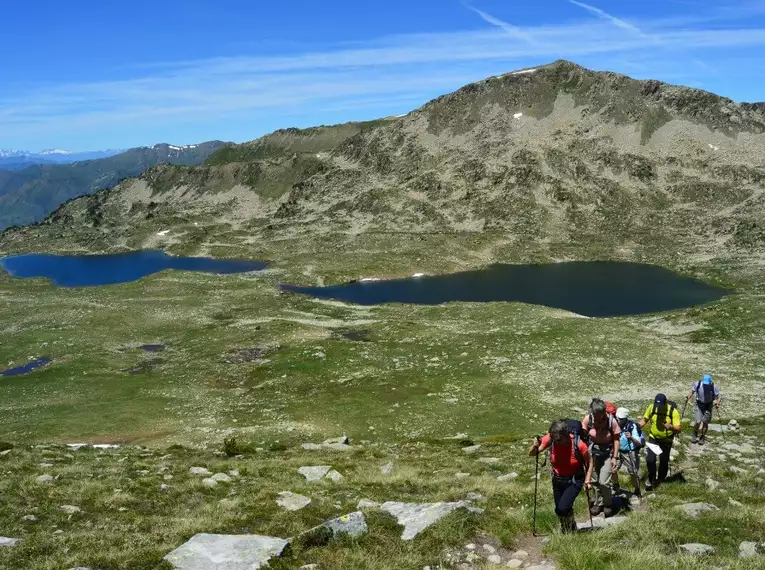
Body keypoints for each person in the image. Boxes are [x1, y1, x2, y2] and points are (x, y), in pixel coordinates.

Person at [529, 419, 591, 533]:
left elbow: (589, 462)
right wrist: (535, 446)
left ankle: (569, 528)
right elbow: (533, 453)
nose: (557, 443)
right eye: (555, 440)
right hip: (557, 479)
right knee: (559, 510)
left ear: (566, 435)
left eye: (559, 440)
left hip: (574, 479)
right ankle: (568, 528)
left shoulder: (579, 444)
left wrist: (587, 480)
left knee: (562, 508)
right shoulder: (551, 439)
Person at [581, 399, 621, 517]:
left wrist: (615, 457)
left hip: (607, 453)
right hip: (592, 453)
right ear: (592, 413)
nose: (601, 419)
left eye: (603, 416)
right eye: (598, 417)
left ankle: (608, 504)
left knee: (604, 481)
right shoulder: (587, 420)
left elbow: (616, 439)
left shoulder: (611, 421)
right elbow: (583, 437)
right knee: (595, 481)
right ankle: (598, 503)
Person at [638, 393, 681, 491]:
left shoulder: (673, 411)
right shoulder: (652, 407)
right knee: (650, 459)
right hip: (653, 437)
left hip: (667, 439)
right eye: (657, 405)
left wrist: (671, 426)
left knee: (664, 460)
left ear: (665, 403)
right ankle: (651, 478)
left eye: (660, 405)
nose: (658, 407)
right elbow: (644, 420)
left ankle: (660, 480)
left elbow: (678, 429)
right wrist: (636, 427)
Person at [614, 407, 645, 498]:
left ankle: (637, 489)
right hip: (618, 451)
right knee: (613, 469)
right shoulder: (615, 425)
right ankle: (616, 486)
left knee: (633, 472)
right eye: (617, 418)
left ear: (625, 419)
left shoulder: (632, 427)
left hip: (630, 452)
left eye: (620, 419)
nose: (618, 420)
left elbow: (639, 443)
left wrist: (631, 437)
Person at [687, 374, 721, 445]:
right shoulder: (698, 384)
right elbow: (692, 391)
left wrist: (717, 403)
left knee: (705, 422)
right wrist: (688, 398)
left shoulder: (713, 386)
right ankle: (694, 434)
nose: (706, 385)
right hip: (699, 404)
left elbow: (718, 396)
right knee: (698, 421)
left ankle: (702, 437)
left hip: (708, 405)